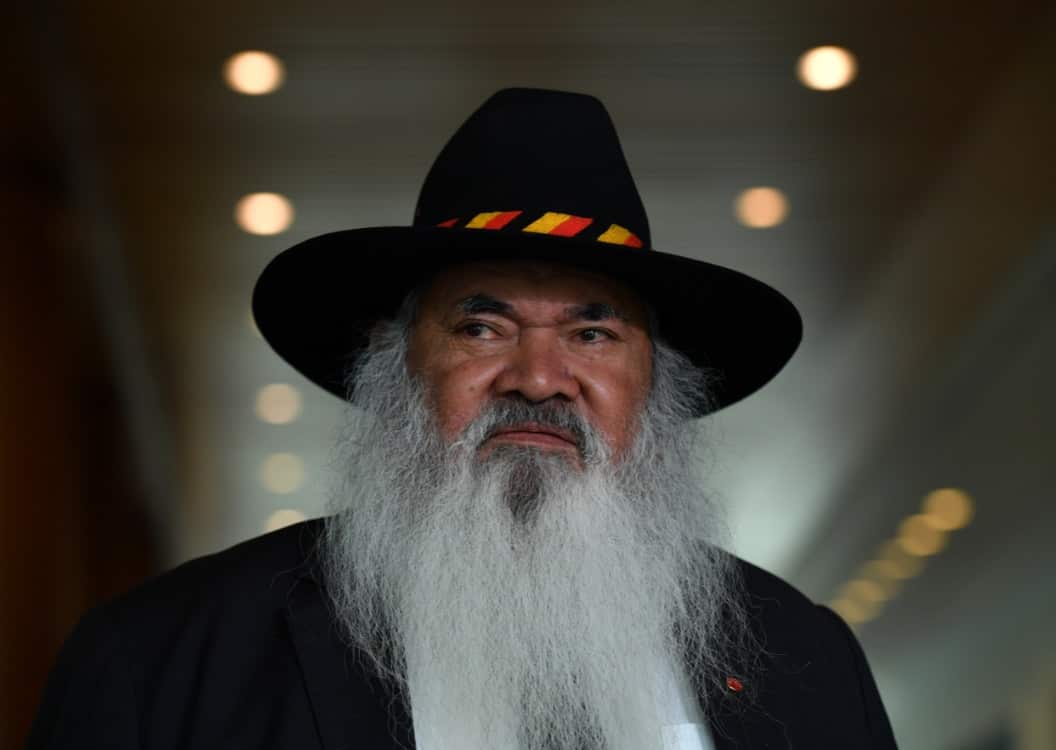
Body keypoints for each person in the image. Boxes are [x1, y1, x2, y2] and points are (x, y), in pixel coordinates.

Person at [28, 88, 897, 749]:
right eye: (482, 327)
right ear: (395, 365)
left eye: (592, 333)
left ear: (654, 387)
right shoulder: (162, 659)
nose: (539, 378)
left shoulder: (806, 660)